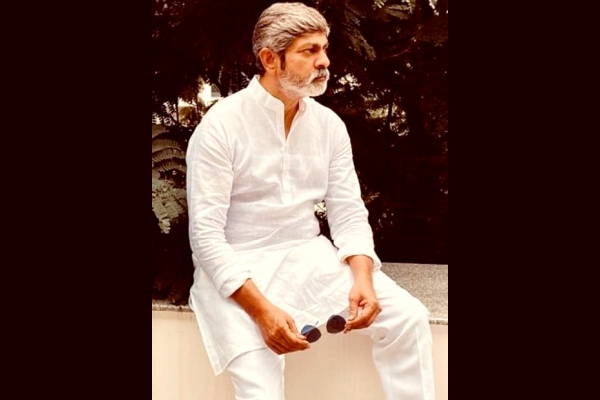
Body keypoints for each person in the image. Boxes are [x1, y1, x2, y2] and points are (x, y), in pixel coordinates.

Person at [186, 2, 435, 399]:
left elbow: (348, 213)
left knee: (408, 317)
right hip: (236, 270)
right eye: (310, 51)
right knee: (261, 388)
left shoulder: (328, 125)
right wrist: (261, 311)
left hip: (308, 255)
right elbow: (206, 237)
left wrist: (363, 279)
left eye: (324, 48)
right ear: (270, 59)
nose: (325, 62)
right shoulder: (221, 126)